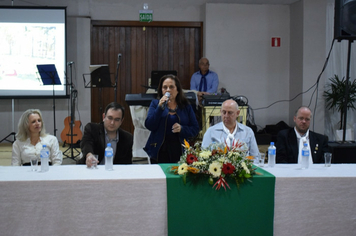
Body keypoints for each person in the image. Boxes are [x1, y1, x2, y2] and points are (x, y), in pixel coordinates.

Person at [144, 74, 200, 163]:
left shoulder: (186, 106)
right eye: (165, 87)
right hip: (159, 149)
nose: (168, 90)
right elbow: (150, 125)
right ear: (161, 90)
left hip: (180, 149)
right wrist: (159, 108)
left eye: (171, 87)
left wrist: (182, 129)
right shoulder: (155, 104)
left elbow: (195, 129)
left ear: (177, 90)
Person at [77, 102, 133, 167]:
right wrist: (89, 155)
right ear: (104, 117)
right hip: (91, 169)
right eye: (110, 118)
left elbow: (127, 164)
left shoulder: (127, 138)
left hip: (114, 173)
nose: (112, 123)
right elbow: (86, 144)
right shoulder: (92, 129)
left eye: (117, 119)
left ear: (121, 121)